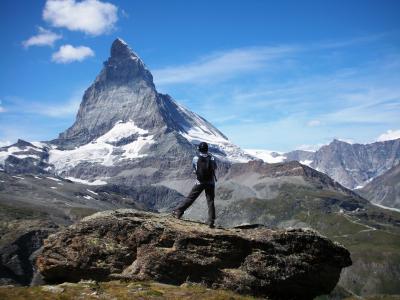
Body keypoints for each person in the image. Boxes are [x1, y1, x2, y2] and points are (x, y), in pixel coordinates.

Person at [172, 142, 217, 228]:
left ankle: (178, 212)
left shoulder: (195, 158)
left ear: (199, 149)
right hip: (210, 182)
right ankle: (211, 221)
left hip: (199, 182)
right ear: (207, 149)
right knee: (210, 201)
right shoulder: (212, 158)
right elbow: (215, 168)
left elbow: (194, 168)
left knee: (191, 198)